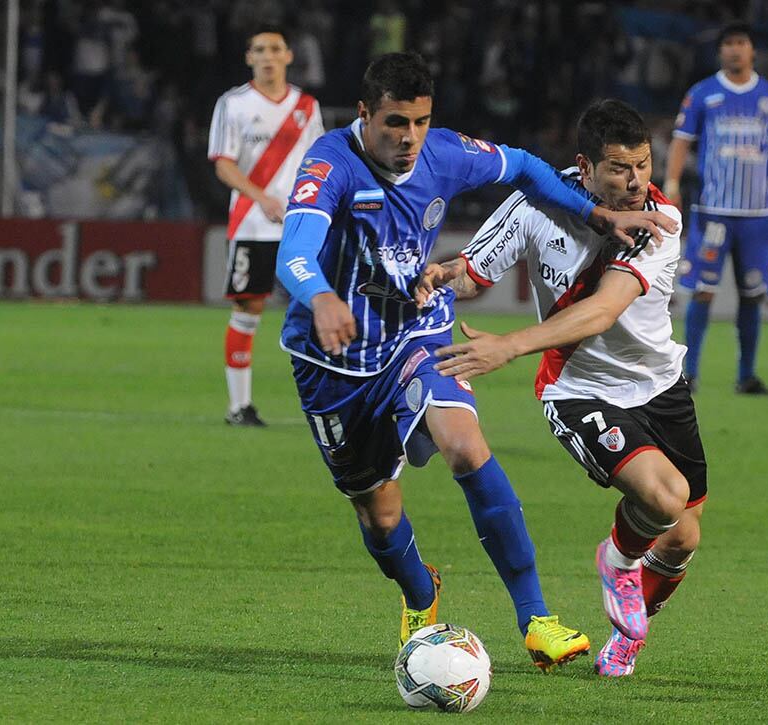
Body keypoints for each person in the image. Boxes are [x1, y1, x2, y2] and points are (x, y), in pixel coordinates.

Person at [274, 53, 675, 670]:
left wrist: (597, 213)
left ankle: (535, 617)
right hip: (334, 360)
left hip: (416, 330)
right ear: (364, 115)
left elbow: (523, 167)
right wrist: (323, 297)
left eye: (421, 122)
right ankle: (419, 589)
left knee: (466, 445)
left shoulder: (443, 153)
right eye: (395, 124)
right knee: (380, 516)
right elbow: (294, 253)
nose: (409, 139)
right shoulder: (330, 163)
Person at [421, 100, 706, 678]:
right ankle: (619, 559)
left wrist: (509, 344)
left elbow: (603, 311)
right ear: (584, 167)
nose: (636, 184)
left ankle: (624, 638)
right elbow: (474, 273)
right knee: (662, 499)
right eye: (620, 170)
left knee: (682, 539)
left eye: (645, 166)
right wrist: (438, 275)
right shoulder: (535, 203)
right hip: (578, 388)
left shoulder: (660, 223)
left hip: (660, 386)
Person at [663, 22, 768, 395]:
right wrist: (671, 184)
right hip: (713, 211)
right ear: (720, 51)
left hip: (756, 216)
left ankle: (746, 375)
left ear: (753, 50)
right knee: (702, 291)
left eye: (741, 43)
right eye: (728, 44)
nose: (734, 50)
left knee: (752, 294)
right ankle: (688, 374)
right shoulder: (703, 94)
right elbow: (680, 142)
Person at [208, 26, 325, 426]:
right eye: (259, 49)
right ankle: (238, 406)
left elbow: (320, 162)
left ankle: (327, 402)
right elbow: (223, 163)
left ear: (289, 56)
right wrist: (263, 198)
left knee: (318, 307)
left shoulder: (307, 107)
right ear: (249, 58)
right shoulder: (233, 104)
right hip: (252, 225)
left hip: (300, 226)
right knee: (248, 309)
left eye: (275, 48)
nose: (268, 56)